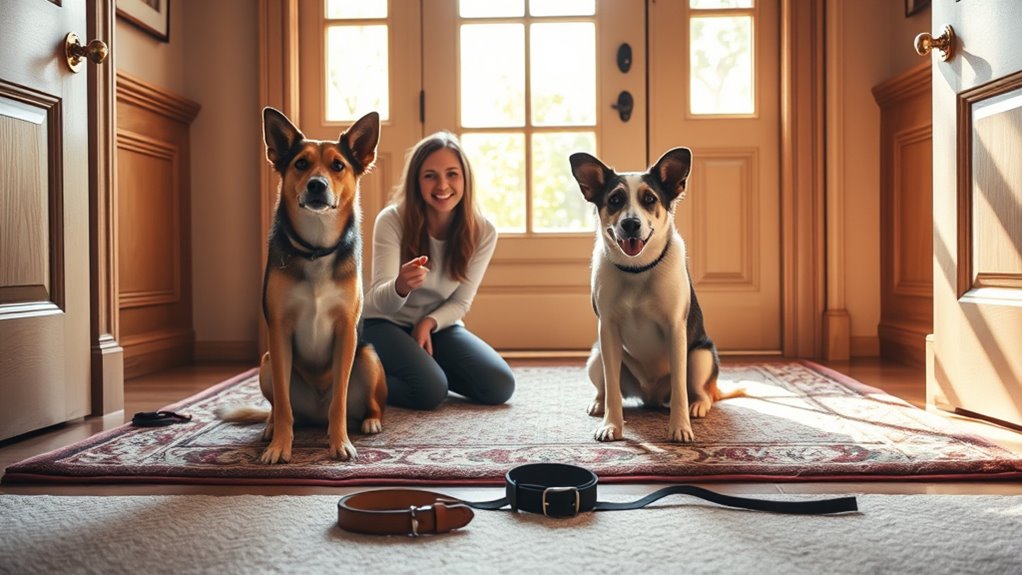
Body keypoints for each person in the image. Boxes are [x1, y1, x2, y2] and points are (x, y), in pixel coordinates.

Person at [362, 131, 515, 410]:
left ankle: (424, 370)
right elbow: (378, 302)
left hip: (436, 327)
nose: (442, 185)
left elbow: (461, 302)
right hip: (383, 323)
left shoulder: (483, 231)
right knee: (429, 391)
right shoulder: (392, 220)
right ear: (416, 182)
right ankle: (355, 380)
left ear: (465, 179)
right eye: (430, 175)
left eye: (452, 174)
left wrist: (428, 323)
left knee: (499, 385)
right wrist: (401, 286)